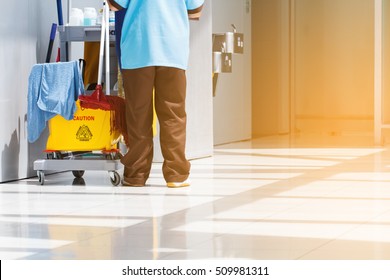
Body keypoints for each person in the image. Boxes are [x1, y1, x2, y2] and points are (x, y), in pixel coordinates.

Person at [107, 0, 204, 188]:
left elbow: (114, 5)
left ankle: (136, 175)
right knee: (173, 114)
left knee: (137, 115)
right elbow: (195, 11)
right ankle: (176, 174)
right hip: (172, 50)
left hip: (137, 47)